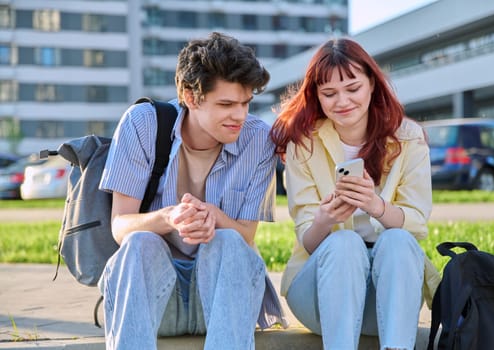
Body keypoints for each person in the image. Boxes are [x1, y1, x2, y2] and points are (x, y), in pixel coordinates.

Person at [99, 32, 286, 350]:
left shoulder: (258, 140)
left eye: (245, 103)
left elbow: (246, 237)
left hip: (224, 301)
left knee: (227, 239)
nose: (239, 115)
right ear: (190, 96)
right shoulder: (143, 124)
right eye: (226, 104)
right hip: (155, 302)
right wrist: (171, 217)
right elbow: (120, 225)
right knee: (140, 241)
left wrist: (212, 216)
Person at [271, 37, 441, 350]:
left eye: (353, 88)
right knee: (344, 241)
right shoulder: (304, 144)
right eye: (329, 93)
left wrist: (375, 206)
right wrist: (324, 220)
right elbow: (307, 240)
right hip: (320, 299)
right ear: (317, 96)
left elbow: (417, 224)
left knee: (398, 239)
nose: (342, 101)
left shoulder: (408, 138)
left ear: (372, 85)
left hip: (389, 299)